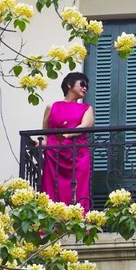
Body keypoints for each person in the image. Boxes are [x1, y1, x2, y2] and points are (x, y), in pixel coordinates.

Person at [40, 72, 95, 213]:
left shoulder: (86, 108)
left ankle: (78, 219)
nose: (85, 88)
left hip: (78, 155)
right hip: (54, 155)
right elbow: (45, 133)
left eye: (86, 86)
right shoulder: (51, 107)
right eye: (82, 84)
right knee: (52, 188)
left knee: (79, 188)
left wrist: (67, 134)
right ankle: (51, 223)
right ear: (70, 85)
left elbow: (85, 126)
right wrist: (41, 144)